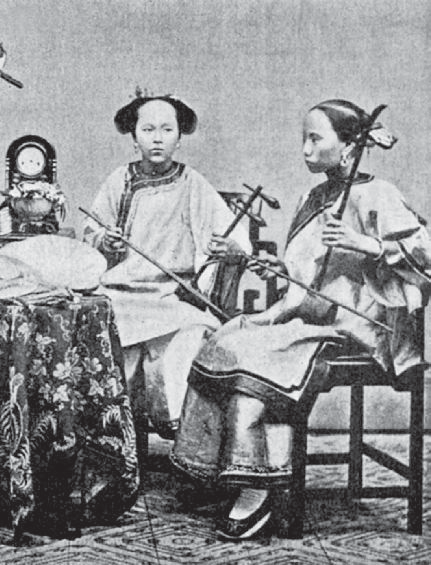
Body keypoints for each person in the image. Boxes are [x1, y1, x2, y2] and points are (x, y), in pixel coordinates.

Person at [171, 99, 431, 540]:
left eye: (315, 139)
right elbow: (302, 278)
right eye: (303, 139)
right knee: (227, 336)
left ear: (350, 146)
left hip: (359, 328)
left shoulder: (378, 194)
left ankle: (261, 488)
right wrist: (266, 265)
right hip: (311, 317)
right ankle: (221, 471)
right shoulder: (313, 197)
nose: (306, 150)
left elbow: (424, 259)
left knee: (258, 360)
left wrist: (364, 244)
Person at [82, 93, 251, 440]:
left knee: (186, 337)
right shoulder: (119, 180)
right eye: (148, 130)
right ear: (134, 137)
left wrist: (229, 248)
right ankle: (114, 438)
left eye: (166, 129)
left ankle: (179, 432)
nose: (157, 138)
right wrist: (105, 240)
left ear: (179, 137)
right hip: (121, 296)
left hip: (171, 297)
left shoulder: (193, 183)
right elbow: (92, 232)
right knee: (106, 334)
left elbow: (234, 238)